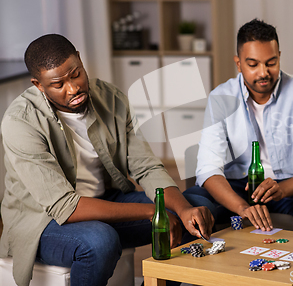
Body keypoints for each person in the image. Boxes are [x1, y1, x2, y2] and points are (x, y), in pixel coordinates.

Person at [0, 34, 214, 286]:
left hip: (103, 202)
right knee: (100, 241)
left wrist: (183, 209)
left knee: (196, 209)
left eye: (76, 74)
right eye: (58, 84)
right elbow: (64, 207)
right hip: (43, 223)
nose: (73, 88)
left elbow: (145, 167)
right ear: (39, 85)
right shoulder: (20, 121)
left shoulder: (110, 97)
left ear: (80, 60)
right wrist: (152, 211)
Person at [183, 19, 293, 233]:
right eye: (253, 65)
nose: (263, 72)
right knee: (191, 201)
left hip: (290, 184)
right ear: (238, 63)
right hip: (238, 186)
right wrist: (242, 208)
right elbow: (208, 168)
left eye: (271, 63)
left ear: (279, 57)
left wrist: (282, 189)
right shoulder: (221, 97)